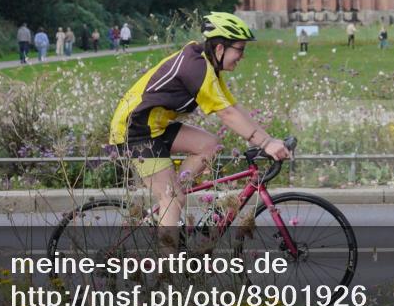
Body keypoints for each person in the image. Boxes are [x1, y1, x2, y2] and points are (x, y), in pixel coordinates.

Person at [108, 12, 291, 230]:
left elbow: (233, 107)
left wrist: (268, 139)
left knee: (209, 145)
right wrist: (266, 144)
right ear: (220, 48)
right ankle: (169, 262)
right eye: (240, 49)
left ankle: (168, 205)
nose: (242, 56)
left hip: (155, 126)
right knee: (173, 200)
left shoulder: (208, 66)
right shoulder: (196, 69)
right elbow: (227, 115)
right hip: (135, 131)